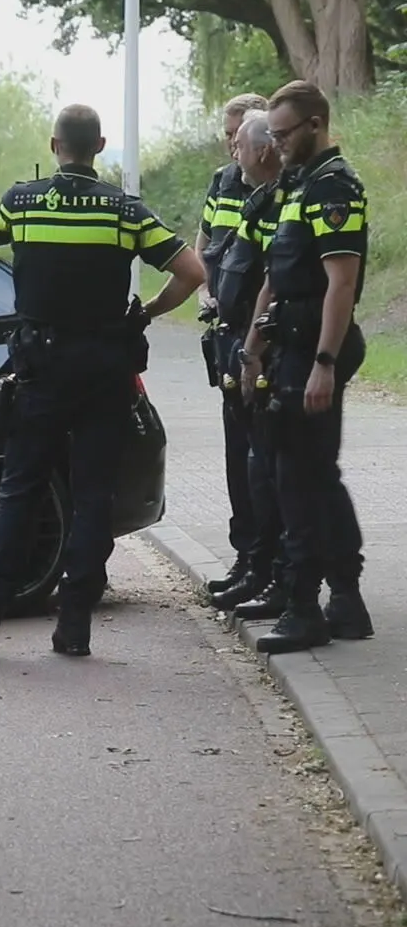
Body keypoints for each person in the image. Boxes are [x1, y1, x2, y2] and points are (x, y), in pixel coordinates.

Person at [0, 103, 209, 660]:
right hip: (105, 370)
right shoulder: (124, 212)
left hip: (40, 366)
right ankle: (75, 626)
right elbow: (192, 272)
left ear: (53, 145)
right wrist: (148, 312)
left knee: (17, 491)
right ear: (100, 145)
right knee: (92, 497)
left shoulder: (20, 202)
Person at [237, 79, 372, 654]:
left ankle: (304, 607)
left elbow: (341, 283)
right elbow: (275, 275)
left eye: (286, 133)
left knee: (298, 479)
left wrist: (324, 363)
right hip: (287, 344)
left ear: (315, 125)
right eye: (273, 133)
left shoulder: (334, 188)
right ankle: (345, 598)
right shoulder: (297, 185)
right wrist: (251, 347)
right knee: (314, 475)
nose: (278, 143)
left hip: (313, 349)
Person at [207, 109, 290, 619]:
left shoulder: (295, 196)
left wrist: (255, 345)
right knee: (248, 463)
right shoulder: (245, 192)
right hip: (237, 340)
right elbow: (221, 256)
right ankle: (257, 566)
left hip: (271, 349)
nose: (232, 149)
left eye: (237, 140)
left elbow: (275, 279)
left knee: (276, 468)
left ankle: (283, 576)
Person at [194, 93, 268, 598]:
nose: (229, 143)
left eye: (236, 134)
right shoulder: (223, 182)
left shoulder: (272, 189)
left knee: (262, 456)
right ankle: (246, 557)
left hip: (259, 337)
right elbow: (202, 246)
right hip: (224, 335)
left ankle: (270, 562)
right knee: (235, 452)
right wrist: (204, 288)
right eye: (227, 133)